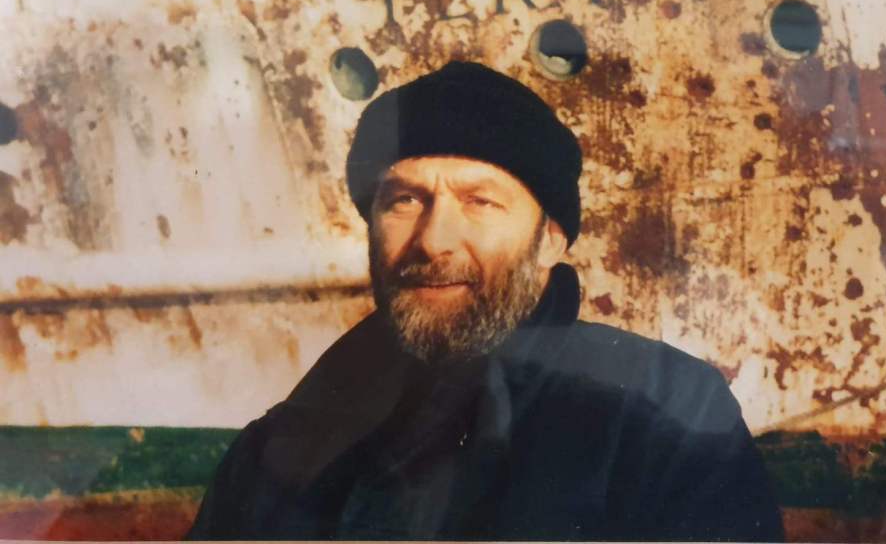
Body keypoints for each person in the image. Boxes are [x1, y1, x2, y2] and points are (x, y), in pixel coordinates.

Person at [186, 60, 784, 541]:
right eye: (404, 201)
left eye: (480, 201)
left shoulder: (665, 413)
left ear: (550, 240)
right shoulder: (278, 446)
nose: (433, 240)